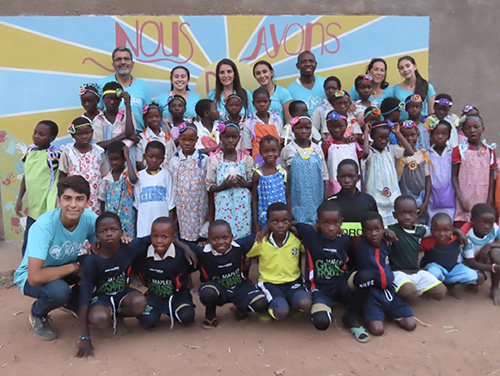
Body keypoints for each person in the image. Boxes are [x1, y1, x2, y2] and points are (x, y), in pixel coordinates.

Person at [14, 176, 97, 341]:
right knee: (59, 291)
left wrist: (122, 239)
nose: (73, 205)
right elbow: (35, 277)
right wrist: (75, 267)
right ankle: (38, 313)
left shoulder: (89, 219)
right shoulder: (44, 227)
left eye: (79, 199)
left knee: (95, 265)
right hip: (31, 277)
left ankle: (72, 301)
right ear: (58, 201)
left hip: (63, 266)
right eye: (67, 198)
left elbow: (103, 251)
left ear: (87, 202)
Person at [295, 201, 373, 342]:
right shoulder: (309, 234)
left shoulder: (345, 239)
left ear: (341, 222)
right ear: (318, 222)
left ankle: (351, 317)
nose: (331, 228)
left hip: (341, 284)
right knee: (321, 322)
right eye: (326, 223)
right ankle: (328, 306)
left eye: (335, 223)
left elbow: (353, 261)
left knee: (366, 277)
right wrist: (265, 230)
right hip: (320, 289)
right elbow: (291, 223)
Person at [76, 212, 148, 358]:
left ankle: (117, 316)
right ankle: (105, 317)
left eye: (113, 230)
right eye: (103, 231)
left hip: (121, 294)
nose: (109, 234)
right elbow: (84, 297)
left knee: (140, 302)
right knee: (100, 318)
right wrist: (84, 337)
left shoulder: (129, 247)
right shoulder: (92, 261)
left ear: (121, 232)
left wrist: (183, 247)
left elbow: (154, 235)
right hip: (101, 299)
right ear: (96, 236)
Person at [189, 220, 267, 328]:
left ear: (232, 237)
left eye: (225, 237)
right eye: (215, 239)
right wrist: (185, 249)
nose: (221, 242)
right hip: (216, 288)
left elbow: (258, 235)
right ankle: (210, 315)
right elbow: (179, 242)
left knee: (262, 304)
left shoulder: (239, 246)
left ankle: (241, 308)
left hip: (239, 287)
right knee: (208, 293)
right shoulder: (202, 251)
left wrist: (266, 229)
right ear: (208, 239)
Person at [356, 211, 416, 336]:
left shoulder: (387, 243)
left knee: (411, 324)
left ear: (383, 229)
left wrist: (389, 234)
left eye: (377, 229)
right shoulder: (362, 245)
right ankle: (374, 314)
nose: (373, 234)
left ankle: (391, 313)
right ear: (362, 232)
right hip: (371, 294)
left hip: (390, 292)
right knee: (378, 330)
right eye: (368, 230)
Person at [248, 203, 311, 320]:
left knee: (306, 303)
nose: (280, 225)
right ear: (267, 223)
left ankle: (289, 302)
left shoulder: (295, 239)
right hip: (270, 284)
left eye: (285, 221)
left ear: (290, 221)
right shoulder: (261, 241)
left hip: (293, 282)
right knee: (281, 312)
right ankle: (271, 308)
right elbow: (243, 254)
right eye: (275, 222)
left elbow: (310, 249)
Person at [135, 217, 196, 328]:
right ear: (150, 236)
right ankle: (155, 312)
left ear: (173, 238)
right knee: (146, 320)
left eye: (164, 237)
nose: (159, 241)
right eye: (155, 236)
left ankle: (174, 310)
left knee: (187, 316)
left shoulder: (181, 254)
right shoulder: (143, 254)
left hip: (178, 296)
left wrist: (186, 247)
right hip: (154, 297)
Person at [388, 196, 447, 303]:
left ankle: (415, 290)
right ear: (394, 215)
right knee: (409, 292)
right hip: (397, 272)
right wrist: (385, 232)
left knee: (440, 292)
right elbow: (377, 230)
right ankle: (397, 298)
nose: (407, 217)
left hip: (416, 271)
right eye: (402, 213)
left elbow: (438, 230)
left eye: (411, 213)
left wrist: (458, 232)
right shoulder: (391, 230)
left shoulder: (421, 230)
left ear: (417, 214)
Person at [16, 120, 60, 256]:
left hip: (47, 206)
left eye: (41, 134)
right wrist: (20, 198)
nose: (36, 136)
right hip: (33, 207)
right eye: (35, 132)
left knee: (46, 240)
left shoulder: (54, 156)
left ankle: (44, 269)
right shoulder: (29, 153)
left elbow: (63, 175)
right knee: (29, 240)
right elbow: (26, 176)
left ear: (52, 138)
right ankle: (26, 271)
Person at [206, 123, 253, 239]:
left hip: (242, 206)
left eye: (234, 137)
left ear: (239, 138)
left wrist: (244, 183)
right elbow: (209, 186)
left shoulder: (246, 158)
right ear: (221, 138)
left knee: (243, 235)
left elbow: (252, 182)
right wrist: (223, 186)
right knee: (224, 234)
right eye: (227, 137)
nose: (230, 140)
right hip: (223, 206)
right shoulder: (215, 159)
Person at [362, 120, 414, 226]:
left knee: (393, 222)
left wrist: (397, 133)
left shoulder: (391, 149)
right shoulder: (370, 152)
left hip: (392, 194)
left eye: (386, 138)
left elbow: (410, 151)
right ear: (373, 137)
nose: (383, 141)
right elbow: (365, 152)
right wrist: (366, 133)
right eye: (379, 138)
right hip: (375, 194)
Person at [280, 115, 328, 225]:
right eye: (299, 128)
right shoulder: (287, 150)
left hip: (316, 197)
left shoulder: (317, 149)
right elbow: (283, 176)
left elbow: (324, 175)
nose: (304, 131)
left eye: (307, 128)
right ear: (293, 130)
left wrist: (325, 199)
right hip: (296, 197)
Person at [420, 213, 481, 296]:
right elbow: (414, 248)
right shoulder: (428, 242)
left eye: (446, 230)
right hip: (436, 269)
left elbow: (468, 224)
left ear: (452, 230)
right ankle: (432, 287)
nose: (441, 234)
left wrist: (459, 232)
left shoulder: (456, 237)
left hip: (452, 268)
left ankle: (449, 283)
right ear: (431, 230)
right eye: (437, 230)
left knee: (472, 275)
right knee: (433, 272)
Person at [452, 115, 497, 226]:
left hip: (483, 198)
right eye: (468, 128)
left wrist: (490, 200)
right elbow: (454, 176)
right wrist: (461, 198)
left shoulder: (489, 151)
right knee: (463, 228)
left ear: (483, 128)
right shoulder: (459, 150)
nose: (472, 130)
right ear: (463, 131)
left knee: (481, 227)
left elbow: (492, 177)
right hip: (464, 200)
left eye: (476, 127)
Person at [169, 123, 209, 243]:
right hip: (182, 208)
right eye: (183, 140)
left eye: (191, 140)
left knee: (201, 236)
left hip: (200, 206)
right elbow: (172, 186)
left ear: (197, 140)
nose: (187, 143)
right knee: (184, 237)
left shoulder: (204, 159)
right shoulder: (175, 161)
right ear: (178, 139)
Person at [59, 117, 107, 215]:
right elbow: (62, 177)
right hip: (74, 200)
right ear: (73, 135)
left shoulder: (98, 152)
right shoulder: (68, 153)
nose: (84, 136)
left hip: (94, 200)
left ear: (92, 132)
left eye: (87, 133)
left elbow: (105, 176)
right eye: (80, 134)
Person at [98, 46, 151, 132]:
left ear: (132, 63)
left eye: (126, 59)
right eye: (118, 59)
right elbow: (97, 112)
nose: (123, 62)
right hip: (110, 138)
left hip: (138, 137)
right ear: (113, 64)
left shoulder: (143, 85)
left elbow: (147, 114)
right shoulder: (102, 84)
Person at [327, 159, 378, 240]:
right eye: (343, 176)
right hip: (340, 250)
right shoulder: (330, 202)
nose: (347, 180)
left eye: (351, 176)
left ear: (358, 178)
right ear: (337, 178)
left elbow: (375, 226)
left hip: (362, 248)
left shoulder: (368, 200)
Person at [134, 141, 175, 237]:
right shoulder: (139, 176)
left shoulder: (166, 175)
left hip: (163, 226)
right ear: (144, 157)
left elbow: (171, 205)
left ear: (163, 159)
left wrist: (170, 226)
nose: (154, 160)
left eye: (158, 157)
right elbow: (137, 205)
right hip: (144, 226)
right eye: (150, 156)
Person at [461, 204, 500, 305]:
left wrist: (489, 245)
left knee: (496, 252)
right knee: (479, 278)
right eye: (483, 222)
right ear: (472, 221)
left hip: (485, 260)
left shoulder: (495, 228)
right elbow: (471, 263)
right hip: (472, 264)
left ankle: (494, 288)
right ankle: (470, 284)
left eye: (491, 223)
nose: (488, 226)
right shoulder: (467, 237)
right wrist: (492, 268)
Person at [98, 141, 138, 238]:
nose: (114, 162)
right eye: (111, 160)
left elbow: (134, 179)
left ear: (124, 159)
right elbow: (102, 201)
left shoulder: (128, 175)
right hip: (110, 222)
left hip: (127, 220)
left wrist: (128, 157)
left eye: (117, 159)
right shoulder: (106, 179)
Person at [252, 135, 289, 231]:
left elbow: (288, 197)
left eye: (274, 150)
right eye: (266, 151)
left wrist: (289, 218)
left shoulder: (283, 173)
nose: (270, 154)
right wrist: (256, 224)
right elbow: (255, 200)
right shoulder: (258, 174)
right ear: (260, 152)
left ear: (279, 151)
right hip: (264, 220)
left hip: (282, 219)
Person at [398, 120, 432, 224]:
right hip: (405, 196)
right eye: (405, 136)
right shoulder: (398, 155)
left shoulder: (422, 155)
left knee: (421, 223)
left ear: (417, 135)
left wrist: (426, 201)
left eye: (412, 135)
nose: (409, 139)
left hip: (421, 198)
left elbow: (427, 179)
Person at [93, 82, 138, 156]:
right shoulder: (99, 119)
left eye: (116, 99)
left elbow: (130, 132)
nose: (112, 102)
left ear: (120, 100)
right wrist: (124, 136)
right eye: (109, 98)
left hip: (127, 160)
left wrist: (128, 105)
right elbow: (99, 146)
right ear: (103, 99)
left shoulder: (126, 114)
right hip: (106, 162)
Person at [324, 110, 362, 195]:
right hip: (335, 182)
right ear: (327, 127)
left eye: (340, 127)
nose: (337, 130)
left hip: (353, 182)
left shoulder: (353, 144)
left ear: (346, 126)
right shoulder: (327, 144)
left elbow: (360, 161)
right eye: (333, 127)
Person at [242, 87, 283, 160]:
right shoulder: (249, 123)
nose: (262, 104)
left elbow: (280, 143)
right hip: (258, 161)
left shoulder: (277, 120)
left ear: (269, 102)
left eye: (265, 101)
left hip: (276, 160)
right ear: (253, 103)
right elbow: (248, 148)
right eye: (259, 102)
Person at [427, 120, 456, 223]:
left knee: (449, 223)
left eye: (444, 134)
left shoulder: (453, 153)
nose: (440, 137)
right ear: (431, 135)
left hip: (450, 195)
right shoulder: (427, 155)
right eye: (436, 133)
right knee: (434, 223)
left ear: (449, 136)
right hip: (432, 196)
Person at [393, 55, 436, 120]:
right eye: (401, 68)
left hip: (421, 126)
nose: (405, 70)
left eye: (408, 66)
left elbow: (432, 113)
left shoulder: (427, 87)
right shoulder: (395, 89)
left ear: (415, 66)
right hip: (402, 127)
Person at [136, 103, 175, 171]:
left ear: (161, 117)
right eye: (150, 117)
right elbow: (139, 161)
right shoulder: (141, 138)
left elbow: (173, 157)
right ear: (144, 119)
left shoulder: (167, 137)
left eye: (157, 116)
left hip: (166, 175)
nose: (154, 119)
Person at [287, 51, 326, 116]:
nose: (308, 64)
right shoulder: (290, 91)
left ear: (316, 64)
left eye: (311, 61)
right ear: (297, 66)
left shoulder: (325, 84)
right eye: (303, 62)